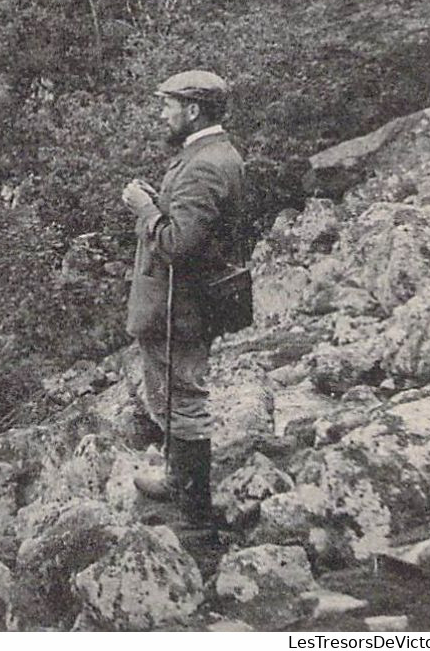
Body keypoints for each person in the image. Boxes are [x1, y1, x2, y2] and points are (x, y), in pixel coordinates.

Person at [120, 69, 249, 528]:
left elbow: (178, 245)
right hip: (181, 301)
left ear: (193, 111)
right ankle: (180, 481)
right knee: (172, 396)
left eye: (167, 106)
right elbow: (196, 226)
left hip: (182, 305)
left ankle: (195, 515)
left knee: (183, 399)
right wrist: (160, 205)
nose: (162, 115)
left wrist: (144, 209)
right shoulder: (207, 154)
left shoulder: (206, 164)